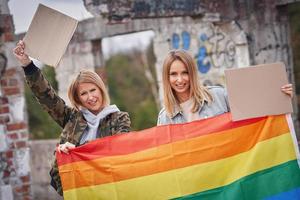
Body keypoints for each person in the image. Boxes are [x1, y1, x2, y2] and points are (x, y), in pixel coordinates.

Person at [13, 40, 131, 196]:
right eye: (83, 93)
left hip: (111, 192)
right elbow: (47, 98)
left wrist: (79, 152)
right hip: (78, 192)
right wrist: (28, 65)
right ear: (78, 98)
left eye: (92, 90)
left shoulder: (120, 118)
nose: (90, 97)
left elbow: (119, 151)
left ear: (101, 89)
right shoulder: (72, 118)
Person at [157, 49, 293, 125]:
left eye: (185, 72)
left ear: (192, 73)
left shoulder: (219, 96)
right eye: (173, 74)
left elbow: (256, 115)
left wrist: (280, 97)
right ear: (167, 78)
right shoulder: (165, 118)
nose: (180, 80)